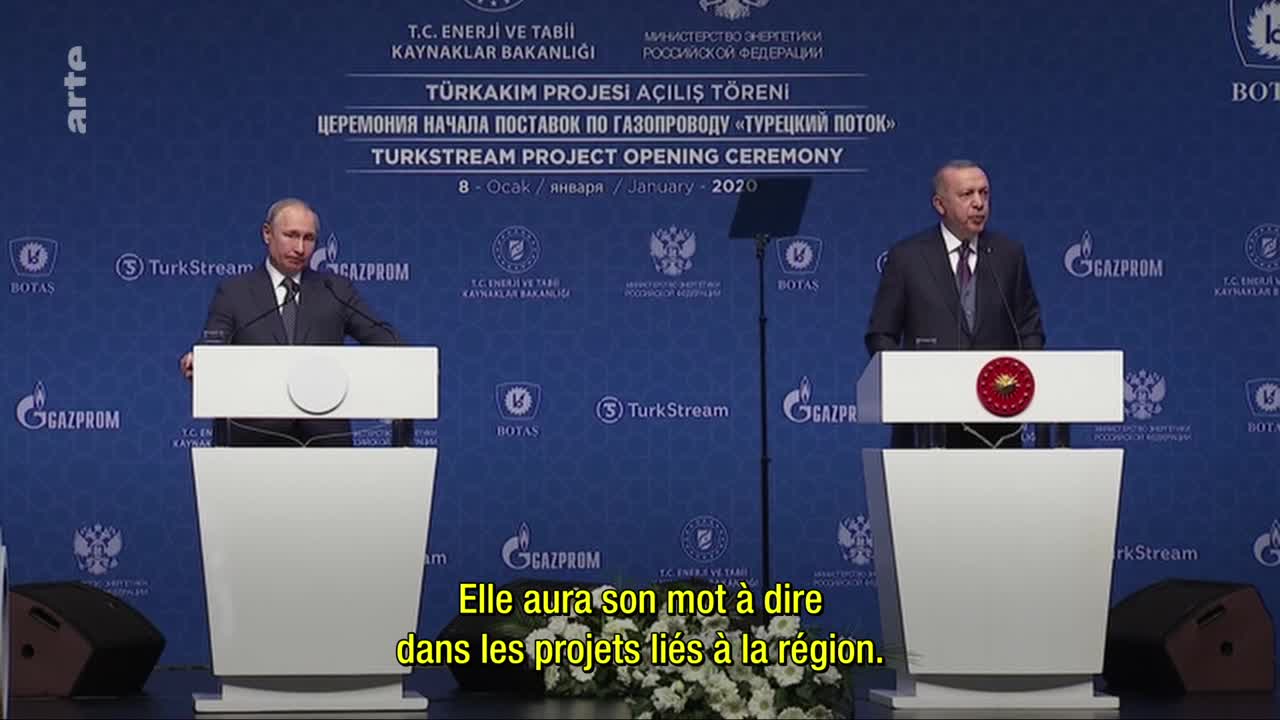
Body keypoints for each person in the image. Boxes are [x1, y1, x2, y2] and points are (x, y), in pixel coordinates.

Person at [180, 198, 398, 446]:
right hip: (254, 442)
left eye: (309, 238)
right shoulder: (234, 292)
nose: (300, 248)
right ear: (267, 234)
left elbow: (383, 338)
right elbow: (213, 343)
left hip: (325, 441)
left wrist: (414, 362)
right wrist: (201, 360)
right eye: (291, 235)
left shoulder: (335, 289)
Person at [865, 161, 1045, 448]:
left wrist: (1020, 379)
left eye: (984, 194)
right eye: (967, 194)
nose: (979, 203)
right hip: (926, 422)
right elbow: (881, 333)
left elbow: (1029, 327)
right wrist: (907, 381)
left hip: (996, 421)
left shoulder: (1008, 255)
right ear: (940, 204)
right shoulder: (907, 257)